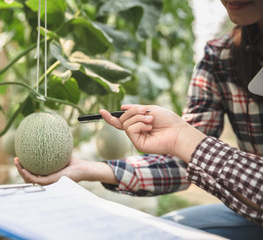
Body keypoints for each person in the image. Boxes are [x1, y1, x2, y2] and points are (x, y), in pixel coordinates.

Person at [15, 0, 263, 239]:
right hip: (253, 214)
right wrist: (88, 169)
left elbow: (193, 150)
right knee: (154, 233)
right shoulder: (220, 58)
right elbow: (185, 164)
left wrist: (185, 138)